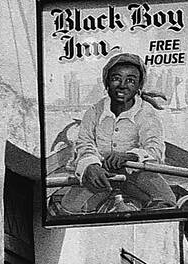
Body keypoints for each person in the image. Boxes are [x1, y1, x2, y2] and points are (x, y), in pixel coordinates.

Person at [73, 54, 176, 212]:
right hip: (101, 174)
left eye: (130, 80)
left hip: (135, 173)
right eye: (116, 78)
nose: (122, 85)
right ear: (107, 82)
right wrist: (91, 165)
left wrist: (130, 156)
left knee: (167, 203)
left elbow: (154, 149)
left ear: (138, 87)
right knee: (67, 209)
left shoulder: (146, 114)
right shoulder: (93, 112)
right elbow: (84, 144)